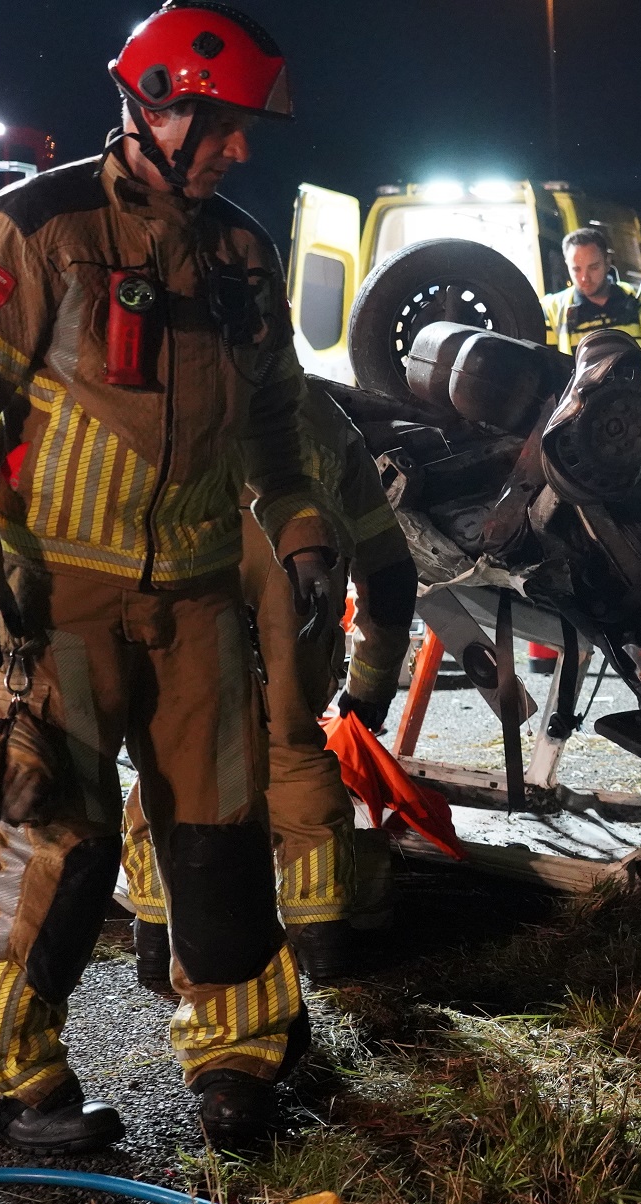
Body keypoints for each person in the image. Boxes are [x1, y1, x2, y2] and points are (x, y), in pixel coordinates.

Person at [0, 0, 332, 1153]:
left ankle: (241, 1057)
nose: (239, 148)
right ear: (155, 105)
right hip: (61, 592)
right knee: (59, 840)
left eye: (245, 129)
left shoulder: (241, 251)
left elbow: (277, 421)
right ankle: (9, 1084)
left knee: (220, 840)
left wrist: (301, 532)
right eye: (223, 124)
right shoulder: (31, 228)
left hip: (199, 597)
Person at [122, 378, 417, 990]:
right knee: (292, 748)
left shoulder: (167, 375)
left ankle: (156, 937)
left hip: (187, 557)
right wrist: (369, 687)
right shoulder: (321, 412)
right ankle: (323, 945)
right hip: (298, 565)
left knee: (175, 755)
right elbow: (389, 571)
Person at [540, 226, 641, 418]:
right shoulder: (553, 310)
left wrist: (626, 388)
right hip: (586, 420)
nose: (584, 278)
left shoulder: (639, 302)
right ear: (566, 264)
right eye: (576, 269)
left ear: (608, 261)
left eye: (593, 267)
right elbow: (547, 373)